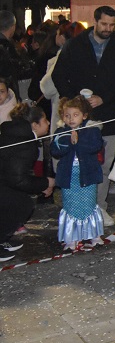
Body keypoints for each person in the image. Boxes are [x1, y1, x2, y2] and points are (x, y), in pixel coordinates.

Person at [52, 6, 115, 226]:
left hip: (107, 114)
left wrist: (104, 98)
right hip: (78, 117)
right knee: (76, 162)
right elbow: (58, 75)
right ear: (95, 21)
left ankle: (100, 207)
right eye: (104, 24)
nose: (108, 29)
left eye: (111, 24)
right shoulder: (75, 45)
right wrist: (74, 101)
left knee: (104, 163)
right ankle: (77, 207)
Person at [51, 96, 105, 252]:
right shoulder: (60, 132)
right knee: (71, 206)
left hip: (87, 175)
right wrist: (69, 142)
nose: (71, 119)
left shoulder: (92, 130)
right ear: (62, 117)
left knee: (89, 205)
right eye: (67, 115)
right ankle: (72, 239)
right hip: (69, 176)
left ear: (84, 115)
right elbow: (54, 151)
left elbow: (95, 146)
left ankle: (94, 236)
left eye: (75, 115)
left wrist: (78, 140)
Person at [0, 103, 53, 261]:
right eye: (45, 120)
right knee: (22, 205)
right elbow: (18, 179)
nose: (49, 123)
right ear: (35, 125)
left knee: (17, 199)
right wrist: (45, 183)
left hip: (3, 181)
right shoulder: (25, 144)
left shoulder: (13, 134)